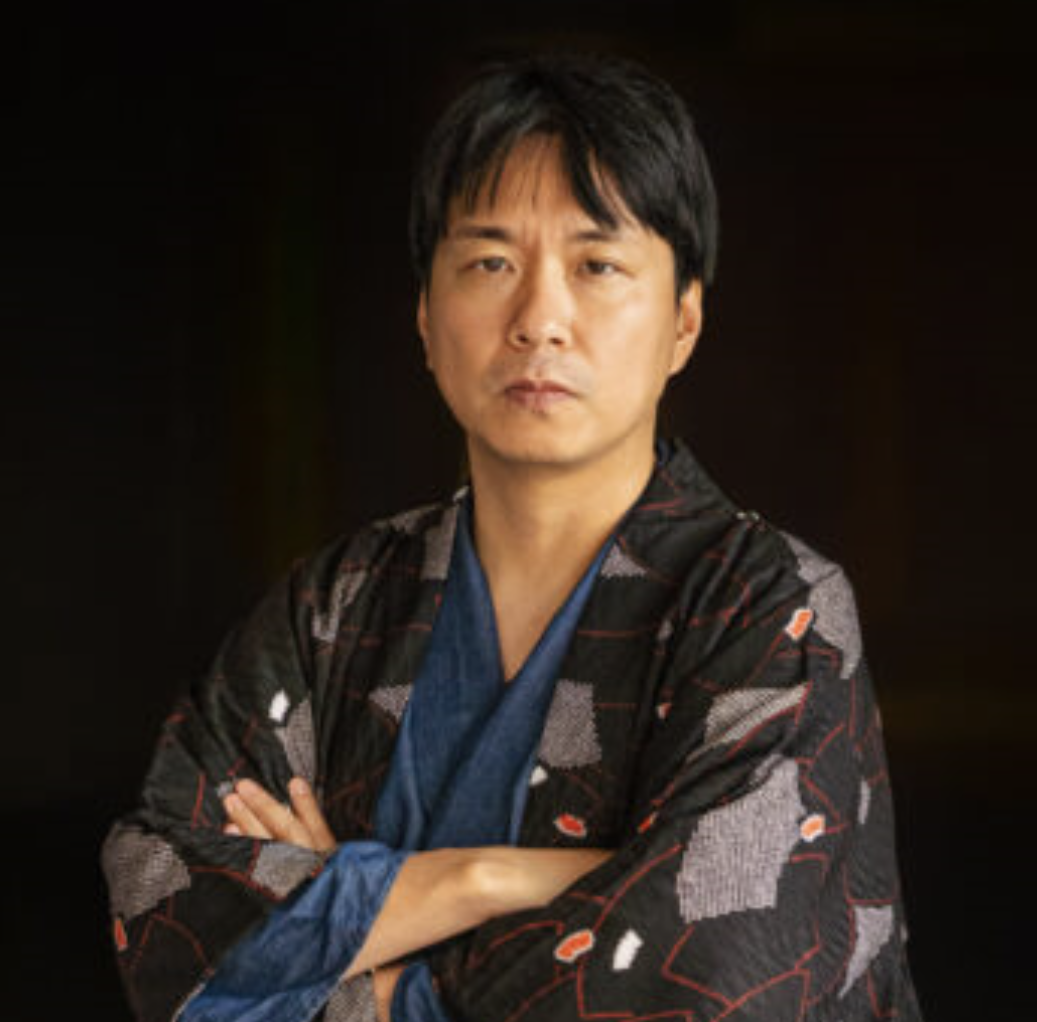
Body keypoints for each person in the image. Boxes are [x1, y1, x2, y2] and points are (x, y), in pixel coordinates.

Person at [101, 52, 923, 1021]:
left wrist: (350, 949)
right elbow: (163, 902)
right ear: (424, 315)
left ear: (683, 321)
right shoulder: (334, 605)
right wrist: (484, 881)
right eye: (490, 262)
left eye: (596, 265)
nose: (539, 320)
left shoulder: (770, 606)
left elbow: (713, 967)